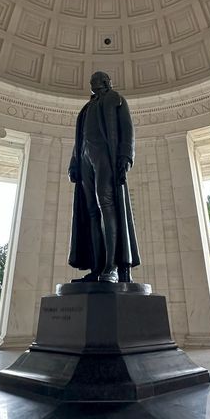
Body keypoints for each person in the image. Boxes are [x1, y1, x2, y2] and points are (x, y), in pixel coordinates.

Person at [68, 71, 141, 282]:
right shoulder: (86, 108)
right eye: (92, 81)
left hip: (105, 155)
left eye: (98, 80)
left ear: (107, 82)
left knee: (107, 206)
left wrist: (125, 155)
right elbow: (79, 139)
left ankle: (112, 266)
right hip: (85, 157)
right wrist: (74, 163)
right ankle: (97, 266)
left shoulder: (116, 99)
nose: (94, 83)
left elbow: (127, 129)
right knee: (91, 211)